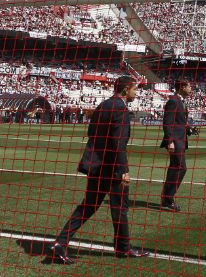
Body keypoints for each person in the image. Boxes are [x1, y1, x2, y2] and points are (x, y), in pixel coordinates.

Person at [49, 76, 149, 264]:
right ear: (126, 90)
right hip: (111, 167)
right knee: (120, 207)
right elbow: (118, 142)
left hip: (97, 165)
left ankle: (60, 242)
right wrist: (123, 169)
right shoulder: (120, 108)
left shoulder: (103, 105)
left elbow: (92, 133)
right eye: (135, 89)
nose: (136, 93)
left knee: (89, 206)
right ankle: (123, 248)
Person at [159, 80, 193, 211]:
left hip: (180, 140)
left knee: (176, 168)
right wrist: (169, 141)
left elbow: (179, 122)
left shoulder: (180, 101)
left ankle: (166, 198)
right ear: (182, 87)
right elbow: (167, 122)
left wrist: (189, 129)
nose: (191, 88)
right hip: (175, 141)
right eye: (189, 86)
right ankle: (167, 199)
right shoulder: (173, 101)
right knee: (180, 168)